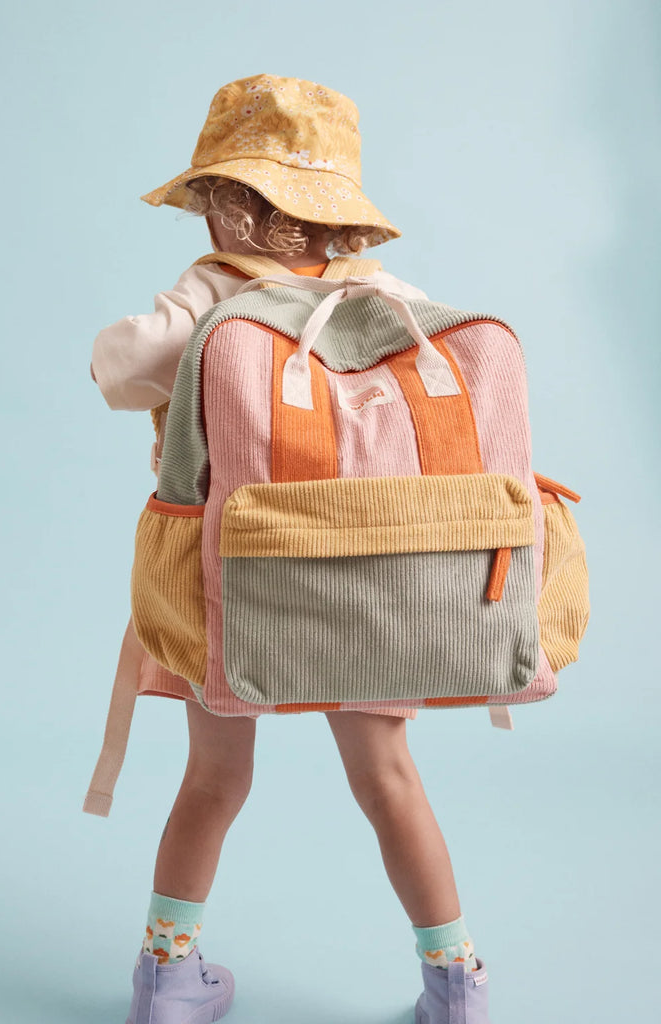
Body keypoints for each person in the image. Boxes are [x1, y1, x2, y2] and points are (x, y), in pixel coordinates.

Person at [90, 74, 490, 1024]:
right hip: (365, 573)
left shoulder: (211, 290)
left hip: (232, 576)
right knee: (388, 779)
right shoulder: (386, 294)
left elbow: (120, 370)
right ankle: (455, 986)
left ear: (226, 204)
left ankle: (168, 982)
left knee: (214, 778)